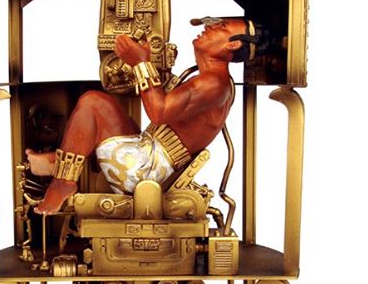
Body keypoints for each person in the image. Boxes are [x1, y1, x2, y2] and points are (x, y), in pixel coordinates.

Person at [26, 17, 253, 214]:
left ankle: (63, 180)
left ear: (233, 44)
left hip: (145, 171)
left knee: (93, 103)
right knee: (120, 118)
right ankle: (60, 161)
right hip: (151, 153)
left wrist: (141, 63)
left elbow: (159, 112)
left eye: (221, 27)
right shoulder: (213, 80)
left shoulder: (213, 83)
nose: (209, 27)